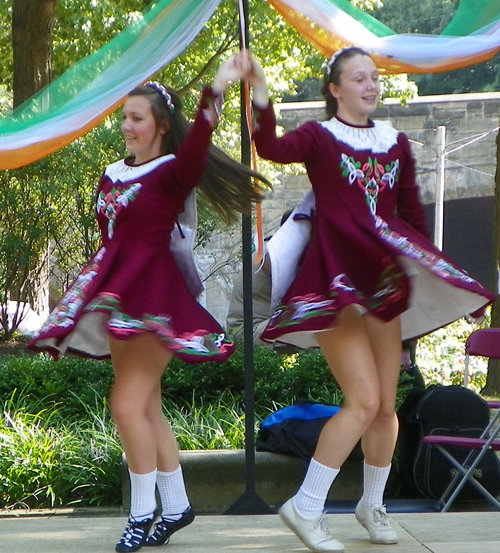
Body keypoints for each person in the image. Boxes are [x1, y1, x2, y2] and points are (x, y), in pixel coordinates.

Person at [240, 48, 496, 553]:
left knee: (385, 409)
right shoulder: (317, 137)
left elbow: (410, 219)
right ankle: (306, 506)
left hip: (382, 282)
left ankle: (371, 505)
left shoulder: (395, 143)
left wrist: (440, 279)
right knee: (362, 403)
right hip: (334, 279)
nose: (371, 85)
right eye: (359, 78)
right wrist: (261, 84)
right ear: (335, 89)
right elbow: (267, 146)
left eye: (374, 78)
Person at [28, 54, 268, 552]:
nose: (126, 126)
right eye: (124, 117)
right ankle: (176, 505)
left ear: (161, 126)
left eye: (136, 118)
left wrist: (217, 89)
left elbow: (199, 146)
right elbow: (109, 236)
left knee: (126, 403)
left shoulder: (172, 172)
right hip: (118, 288)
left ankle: (140, 514)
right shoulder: (111, 174)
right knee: (147, 405)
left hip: (157, 294)